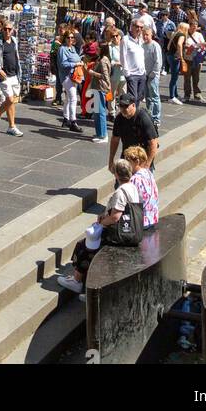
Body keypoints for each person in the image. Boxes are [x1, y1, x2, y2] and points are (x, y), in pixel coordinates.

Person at [58, 160, 141, 293]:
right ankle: (83, 282)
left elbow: (115, 217)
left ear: (116, 174)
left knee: (84, 247)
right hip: (131, 230)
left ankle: (77, 281)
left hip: (119, 235)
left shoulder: (120, 192)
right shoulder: (133, 187)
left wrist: (100, 223)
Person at [108, 93, 159, 174]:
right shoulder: (119, 118)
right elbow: (115, 139)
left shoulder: (143, 118)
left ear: (133, 105)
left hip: (142, 157)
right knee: (121, 182)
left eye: (126, 106)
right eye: (121, 106)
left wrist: (147, 165)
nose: (124, 109)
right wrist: (111, 161)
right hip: (127, 156)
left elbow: (153, 142)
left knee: (141, 184)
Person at [0, 21, 24, 137]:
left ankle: (11, 126)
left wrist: (19, 72)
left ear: (13, 30)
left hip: (14, 74)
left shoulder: (14, 40)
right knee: (9, 99)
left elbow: (16, 56)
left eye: (9, 29)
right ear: (2, 29)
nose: (7, 31)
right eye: (5, 29)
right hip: (3, 76)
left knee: (12, 102)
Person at [123, 145, 159, 228]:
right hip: (153, 217)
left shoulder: (135, 179)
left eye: (128, 161)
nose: (126, 164)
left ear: (137, 161)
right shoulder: (148, 173)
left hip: (142, 221)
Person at [57, 31, 83, 133]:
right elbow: (63, 64)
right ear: (65, 38)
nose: (70, 39)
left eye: (72, 38)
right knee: (73, 98)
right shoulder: (62, 49)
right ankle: (73, 122)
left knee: (68, 98)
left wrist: (80, 61)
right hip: (66, 77)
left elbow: (76, 57)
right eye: (68, 37)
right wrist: (75, 64)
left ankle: (66, 119)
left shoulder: (72, 48)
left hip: (74, 76)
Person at [88, 43, 112, 142]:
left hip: (100, 88)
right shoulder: (102, 59)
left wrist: (93, 73)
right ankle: (99, 133)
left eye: (98, 48)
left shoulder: (103, 60)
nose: (96, 49)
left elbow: (105, 77)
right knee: (97, 112)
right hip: (98, 87)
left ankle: (103, 135)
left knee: (100, 112)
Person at [120, 21, 147, 105]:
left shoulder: (141, 40)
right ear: (131, 27)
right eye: (137, 27)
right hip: (132, 74)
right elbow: (122, 56)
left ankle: (135, 116)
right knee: (133, 99)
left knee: (139, 98)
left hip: (141, 73)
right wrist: (127, 73)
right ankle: (130, 116)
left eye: (141, 27)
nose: (139, 29)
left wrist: (144, 71)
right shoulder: (125, 39)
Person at [182, 15, 206, 103]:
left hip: (197, 59)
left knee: (196, 78)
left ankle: (197, 94)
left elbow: (203, 45)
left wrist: (196, 46)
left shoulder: (199, 35)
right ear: (189, 27)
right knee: (187, 78)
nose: (194, 29)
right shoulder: (185, 35)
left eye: (195, 27)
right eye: (193, 27)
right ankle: (187, 95)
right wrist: (187, 47)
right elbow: (181, 45)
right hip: (187, 59)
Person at [142, 25, 162, 127]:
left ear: (151, 35)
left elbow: (158, 62)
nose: (145, 37)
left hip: (152, 76)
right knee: (148, 97)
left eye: (147, 35)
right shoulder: (142, 45)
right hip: (144, 75)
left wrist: (153, 73)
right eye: (143, 35)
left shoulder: (155, 45)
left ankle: (156, 118)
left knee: (154, 96)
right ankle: (150, 115)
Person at [167, 20, 187, 105]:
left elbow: (168, 46)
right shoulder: (182, 35)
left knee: (174, 76)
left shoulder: (175, 33)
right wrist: (181, 55)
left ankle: (175, 94)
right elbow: (179, 44)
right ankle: (172, 96)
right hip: (175, 57)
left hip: (169, 55)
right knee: (174, 77)